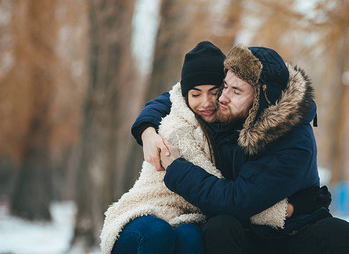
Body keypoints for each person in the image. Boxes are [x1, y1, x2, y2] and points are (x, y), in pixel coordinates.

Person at [133, 44, 349, 254]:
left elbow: (235, 201)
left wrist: (176, 168)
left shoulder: (294, 142)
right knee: (219, 227)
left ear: (262, 99)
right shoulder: (230, 113)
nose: (222, 98)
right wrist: (147, 130)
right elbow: (176, 96)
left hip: (292, 233)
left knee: (338, 231)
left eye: (236, 92)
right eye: (225, 87)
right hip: (248, 233)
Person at [100, 41, 290, 254]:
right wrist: (279, 211)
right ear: (185, 95)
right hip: (147, 211)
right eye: (196, 94)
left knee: (191, 236)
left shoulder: (229, 128)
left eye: (214, 92)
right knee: (158, 231)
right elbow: (220, 188)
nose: (206, 102)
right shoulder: (177, 127)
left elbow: (233, 188)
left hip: (186, 216)